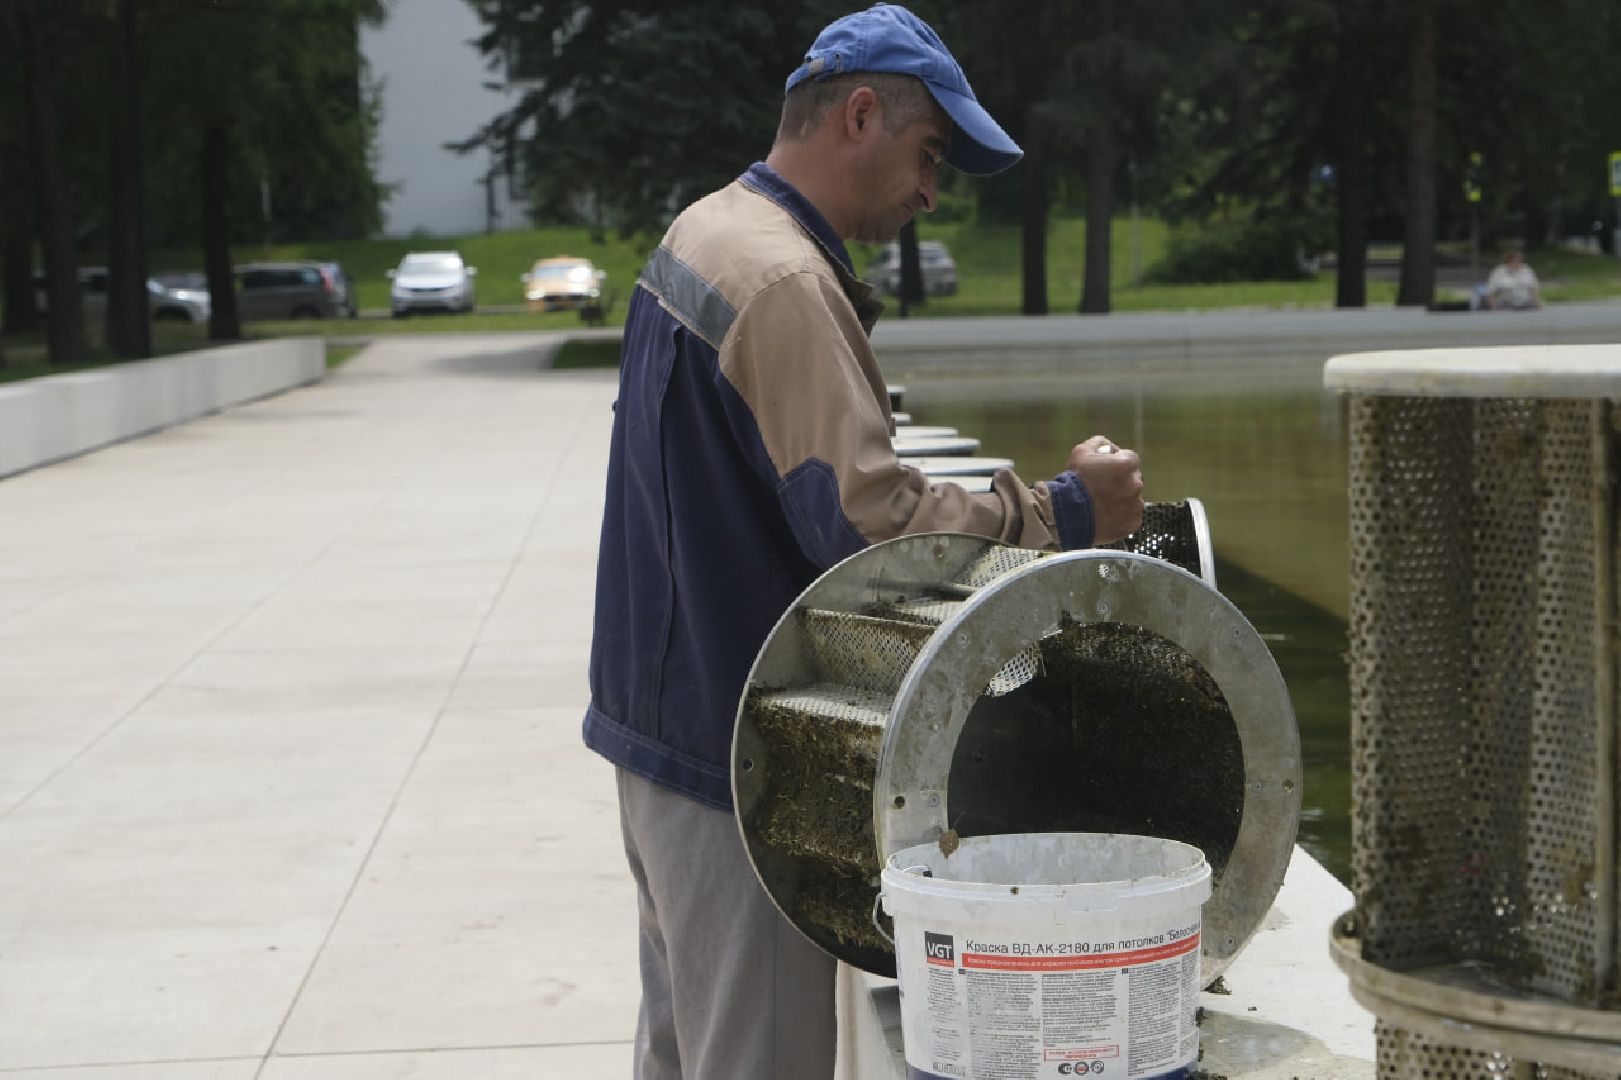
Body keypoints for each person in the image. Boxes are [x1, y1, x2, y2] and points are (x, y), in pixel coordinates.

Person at [581, 5, 1144, 1077]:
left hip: (659, 736)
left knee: (681, 1052)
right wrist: (1065, 512)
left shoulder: (707, 230)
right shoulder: (784, 282)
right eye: (930, 153)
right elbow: (867, 530)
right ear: (859, 113)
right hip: (730, 773)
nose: (932, 190)